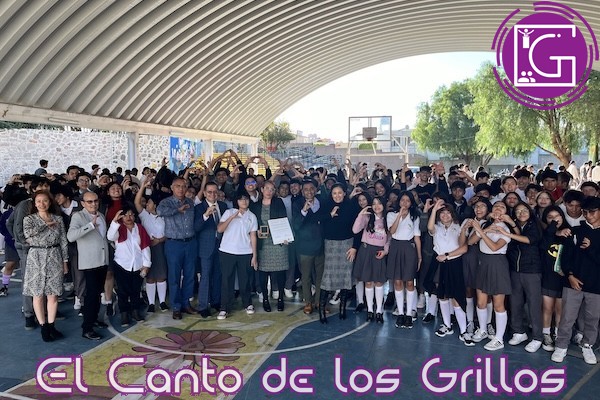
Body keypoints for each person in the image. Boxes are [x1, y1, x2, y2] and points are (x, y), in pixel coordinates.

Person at [552, 196, 600, 365]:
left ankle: (587, 345)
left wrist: (591, 248)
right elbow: (566, 257)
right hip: (573, 282)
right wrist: (570, 275)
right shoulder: (575, 231)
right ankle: (561, 346)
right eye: (585, 212)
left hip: (596, 285)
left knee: (592, 318)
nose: (588, 215)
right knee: (567, 317)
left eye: (592, 212)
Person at [22, 191, 69, 342]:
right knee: (37, 295)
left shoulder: (58, 219)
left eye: (45, 201)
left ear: (50, 202)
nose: (42, 204)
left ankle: (51, 325)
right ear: (35, 203)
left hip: (55, 255)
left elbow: (63, 241)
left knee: (53, 294)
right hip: (36, 257)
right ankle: (43, 326)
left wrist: (65, 261)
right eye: (39, 201)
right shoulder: (29, 219)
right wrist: (45, 225)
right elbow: (28, 235)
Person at [467, 201, 512, 351]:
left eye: (502, 207)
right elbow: (470, 241)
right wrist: (485, 229)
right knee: (481, 302)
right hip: (483, 263)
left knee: (498, 304)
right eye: (496, 206)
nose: (498, 209)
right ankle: (483, 329)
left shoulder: (505, 228)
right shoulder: (486, 224)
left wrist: (481, 231)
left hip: (498, 264)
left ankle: (499, 338)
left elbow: (494, 247)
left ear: (506, 212)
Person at [425, 200, 471, 345]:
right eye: (442, 213)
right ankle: (447, 325)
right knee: (442, 295)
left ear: (453, 214)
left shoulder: (459, 227)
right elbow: (430, 227)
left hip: (454, 263)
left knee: (456, 297)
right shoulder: (436, 227)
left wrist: (447, 255)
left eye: (448, 213)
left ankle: (464, 331)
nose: (445, 215)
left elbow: (464, 247)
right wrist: (434, 210)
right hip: (439, 263)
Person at [67, 191, 110, 340]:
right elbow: (71, 236)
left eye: (95, 201)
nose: (93, 204)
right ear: (83, 203)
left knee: (97, 293)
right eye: (90, 201)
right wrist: (90, 225)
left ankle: (94, 319)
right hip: (90, 262)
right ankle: (87, 328)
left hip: (102, 261)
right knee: (91, 295)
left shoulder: (101, 215)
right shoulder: (78, 216)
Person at [317, 183, 360, 323]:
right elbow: (317, 219)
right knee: (328, 276)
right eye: (334, 193)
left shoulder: (351, 206)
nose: (337, 196)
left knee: (346, 276)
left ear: (344, 193)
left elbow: (358, 228)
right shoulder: (325, 205)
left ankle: (342, 309)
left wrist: (355, 247)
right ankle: (321, 310)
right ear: (331, 194)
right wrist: (329, 215)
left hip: (347, 244)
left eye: (340, 193)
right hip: (330, 245)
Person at [504, 202, 544, 353]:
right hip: (515, 270)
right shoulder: (512, 226)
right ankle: (519, 332)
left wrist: (509, 234)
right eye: (518, 211)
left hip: (532, 270)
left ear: (530, 211)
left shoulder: (534, 225)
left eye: (524, 210)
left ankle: (537, 337)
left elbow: (528, 240)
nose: (522, 213)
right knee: (515, 302)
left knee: (534, 304)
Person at [157, 177, 197, 320]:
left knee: (189, 275)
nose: (181, 189)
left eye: (184, 186)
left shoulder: (190, 202)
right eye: (178, 186)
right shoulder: (166, 202)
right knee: (174, 277)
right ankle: (176, 306)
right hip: (174, 244)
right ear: (172, 188)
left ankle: (186, 303)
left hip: (190, 242)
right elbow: (159, 211)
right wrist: (177, 210)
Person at [107, 205, 151, 327]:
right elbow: (110, 236)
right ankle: (124, 313)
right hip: (122, 265)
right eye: (125, 215)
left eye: (131, 214)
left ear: (134, 216)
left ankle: (135, 311)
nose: (128, 217)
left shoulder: (140, 228)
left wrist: (146, 264)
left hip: (137, 265)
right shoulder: (118, 228)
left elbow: (145, 247)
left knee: (136, 290)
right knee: (122, 291)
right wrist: (114, 222)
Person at [217, 191, 258, 319]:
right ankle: (224, 308)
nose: (244, 202)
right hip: (227, 251)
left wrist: (255, 255)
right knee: (226, 280)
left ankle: (248, 304)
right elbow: (220, 229)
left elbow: (253, 236)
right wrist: (232, 217)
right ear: (237, 201)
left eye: (246, 199)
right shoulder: (229, 212)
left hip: (245, 252)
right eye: (241, 199)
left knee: (245, 280)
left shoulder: (252, 216)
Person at [250, 181, 289, 313]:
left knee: (280, 272)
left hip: (277, 241)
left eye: (272, 189)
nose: (269, 191)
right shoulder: (255, 205)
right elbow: (252, 223)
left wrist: (285, 236)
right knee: (263, 272)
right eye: (267, 188)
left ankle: (280, 298)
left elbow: (284, 220)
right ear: (262, 189)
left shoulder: (278, 203)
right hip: (263, 243)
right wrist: (256, 231)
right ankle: (265, 299)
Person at [387, 191, 422, 328]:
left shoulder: (414, 216)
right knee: (397, 281)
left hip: (409, 248)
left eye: (408, 200)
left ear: (411, 203)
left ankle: (409, 313)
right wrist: (399, 216)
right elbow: (392, 231)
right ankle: (401, 313)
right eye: (402, 200)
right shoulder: (391, 214)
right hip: (395, 247)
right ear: (399, 201)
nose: (405, 203)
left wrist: (419, 256)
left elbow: (417, 237)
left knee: (410, 281)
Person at [194, 181, 229, 317]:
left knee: (218, 274)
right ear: (204, 193)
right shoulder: (199, 208)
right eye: (209, 192)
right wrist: (205, 215)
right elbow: (196, 228)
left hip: (222, 246)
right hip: (206, 247)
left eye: (215, 192)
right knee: (206, 276)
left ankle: (216, 301)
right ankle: (203, 306)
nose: (213, 194)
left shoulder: (223, 206)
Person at [352, 196, 389, 323]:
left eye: (379, 203)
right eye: (374, 204)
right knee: (368, 282)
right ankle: (369, 310)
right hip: (366, 251)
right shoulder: (367, 217)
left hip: (379, 252)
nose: (376, 206)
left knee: (378, 282)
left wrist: (385, 251)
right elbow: (355, 230)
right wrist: (361, 214)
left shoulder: (387, 219)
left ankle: (379, 310)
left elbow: (389, 238)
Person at [540, 206, 571, 352]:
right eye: (550, 217)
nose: (554, 220)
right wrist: (554, 230)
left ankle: (558, 335)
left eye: (557, 216)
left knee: (560, 309)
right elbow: (543, 245)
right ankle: (546, 334)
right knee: (547, 308)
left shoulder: (569, 232)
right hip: (548, 276)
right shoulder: (545, 234)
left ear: (562, 217)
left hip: (563, 277)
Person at [134, 180, 168, 313]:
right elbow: (137, 202)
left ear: (155, 205)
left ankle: (163, 302)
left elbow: (169, 234)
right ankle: (152, 303)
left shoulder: (163, 217)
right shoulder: (145, 216)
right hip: (147, 248)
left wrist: (159, 240)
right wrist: (142, 186)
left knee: (161, 275)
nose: (146, 204)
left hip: (161, 247)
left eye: (149, 202)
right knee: (150, 276)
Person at [292, 179, 325, 315]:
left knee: (320, 276)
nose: (309, 191)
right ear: (302, 191)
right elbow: (296, 225)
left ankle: (318, 301)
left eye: (312, 188)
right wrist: (304, 210)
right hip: (305, 247)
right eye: (306, 189)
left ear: (316, 189)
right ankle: (308, 302)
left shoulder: (322, 201)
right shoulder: (297, 204)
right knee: (306, 277)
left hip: (320, 245)